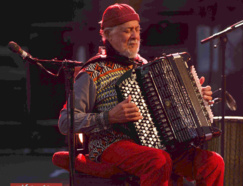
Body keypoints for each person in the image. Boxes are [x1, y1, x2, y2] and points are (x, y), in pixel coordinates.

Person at [58, 3, 224, 185]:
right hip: (111, 145)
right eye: (127, 30)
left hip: (155, 144)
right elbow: (65, 122)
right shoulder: (92, 71)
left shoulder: (144, 66)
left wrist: (195, 98)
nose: (135, 36)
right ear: (106, 34)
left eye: (137, 29)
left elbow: (168, 110)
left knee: (213, 163)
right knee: (157, 160)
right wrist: (109, 117)